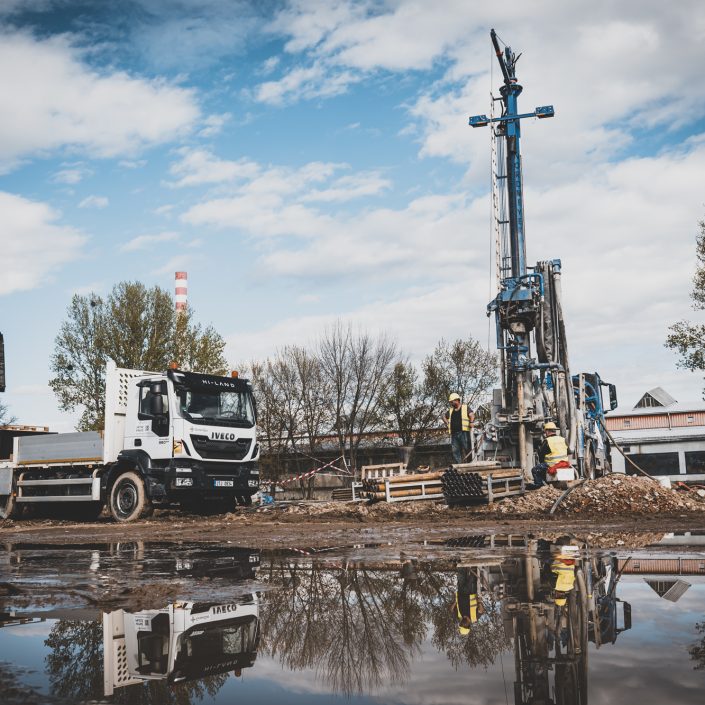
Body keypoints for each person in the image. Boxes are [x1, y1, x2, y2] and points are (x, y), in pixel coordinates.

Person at [530, 421, 571, 488]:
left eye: (545, 431)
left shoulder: (547, 441)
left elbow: (541, 455)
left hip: (552, 464)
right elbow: (568, 452)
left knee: (535, 470)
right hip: (564, 463)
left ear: (547, 431)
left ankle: (539, 485)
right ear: (554, 431)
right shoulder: (563, 439)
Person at [445, 393, 475, 464]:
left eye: (452, 401)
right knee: (455, 451)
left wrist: (471, 422)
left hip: (463, 432)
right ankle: (459, 465)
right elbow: (443, 416)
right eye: (451, 402)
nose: (451, 403)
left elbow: (472, 415)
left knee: (467, 448)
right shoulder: (451, 410)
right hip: (454, 434)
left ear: (457, 400)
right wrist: (447, 423)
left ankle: (470, 464)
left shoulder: (465, 407)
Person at [454, 568, 480, 635]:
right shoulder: (474, 617)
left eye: (461, 625)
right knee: (473, 572)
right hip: (471, 591)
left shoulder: (459, 615)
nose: (462, 624)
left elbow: (451, 609)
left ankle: (462, 560)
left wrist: (455, 602)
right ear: (468, 626)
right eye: (463, 625)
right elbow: (482, 611)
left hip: (461, 591)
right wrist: (479, 602)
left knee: (461, 571)